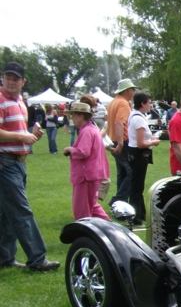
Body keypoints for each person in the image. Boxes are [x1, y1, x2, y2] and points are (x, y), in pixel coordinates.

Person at [0, 61, 60, 271]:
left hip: (17, 162)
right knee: (22, 211)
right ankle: (37, 258)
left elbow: (17, 130)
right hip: (5, 162)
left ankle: (4, 257)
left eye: (15, 78)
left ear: (23, 81)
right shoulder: (0, 99)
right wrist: (21, 136)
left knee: (7, 212)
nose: (10, 81)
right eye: (7, 77)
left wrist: (32, 133)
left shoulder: (19, 102)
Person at [62, 101, 110, 221]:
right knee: (93, 206)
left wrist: (70, 149)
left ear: (81, 116)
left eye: (73, 115)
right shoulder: (92, 128)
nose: (72, 118)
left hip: (85, 176)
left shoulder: (87, 131)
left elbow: (83, 152)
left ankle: (84, 235)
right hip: (92, 174)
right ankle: (111, 227)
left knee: (82, 210)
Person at [126, 91, 160, 223]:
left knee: (137, 185)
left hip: (134, 153)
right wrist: (154, 142)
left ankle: (140, 213)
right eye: (149, 102)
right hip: (139, 154)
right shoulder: (139, 119)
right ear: (142, 104)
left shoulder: (134, 115)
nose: (150, 105)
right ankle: (135, 216)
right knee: (137, 186)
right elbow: (141, 143)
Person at [106, 78, 137, 205]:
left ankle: (120, 202)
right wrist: (120, 143)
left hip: (112, 139)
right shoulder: (123, 103)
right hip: (122, 141)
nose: (134, 92)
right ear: (128, 90)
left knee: (122, 173)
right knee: (131, 173)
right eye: (133, 90)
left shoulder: (113, 102)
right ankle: (118, 199)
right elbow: (119, 122)